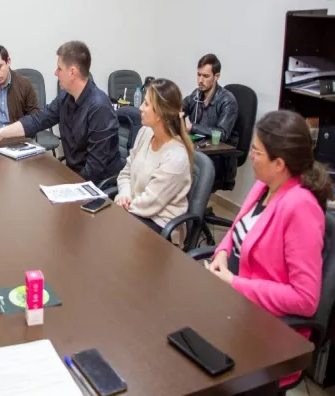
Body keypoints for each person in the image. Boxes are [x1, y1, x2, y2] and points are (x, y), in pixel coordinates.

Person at [205, 110, 332, 388]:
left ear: (279, 163)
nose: (250, 155)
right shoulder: (264, 186)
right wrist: (222, 254)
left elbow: (305, 299)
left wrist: (234, 283)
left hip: (267, 332)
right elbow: (236, 231)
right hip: (236, 309)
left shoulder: (301, 207)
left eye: (256, 151)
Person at [0, 41, 122, 184]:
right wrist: (1, 133)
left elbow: (95, 169)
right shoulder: (65, 97)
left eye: (59, 69)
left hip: (97, 185)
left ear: (72, 72)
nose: (56, 73)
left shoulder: (99, 107)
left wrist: (67, 186)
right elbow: (38, 120)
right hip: (74, 176)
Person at [114, 79, 194, 240]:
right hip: (135, 211)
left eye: (146, 104)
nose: (140, 108)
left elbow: (151, 202)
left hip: (160, 226)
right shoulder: (145, 133)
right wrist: (124, 195)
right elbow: (126, 172)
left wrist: (121, 208)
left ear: (160, 114)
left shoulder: (176, 157)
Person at [182, 54, 238, 191]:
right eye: (198, 75)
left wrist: (192, 127)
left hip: (217, 156)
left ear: (216, 76)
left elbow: (222, 133)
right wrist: (176, 112)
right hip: (198, 148)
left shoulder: (227, 101)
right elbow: (181, 107)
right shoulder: (197, 94)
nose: (200, 80)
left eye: (205, 76)